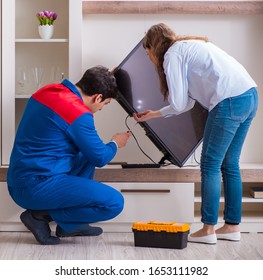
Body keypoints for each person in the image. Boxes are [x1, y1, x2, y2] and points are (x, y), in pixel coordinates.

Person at [134, 23, 258, 244]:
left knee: (210, 164)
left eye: (147, 53)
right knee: (230, 164)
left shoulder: (172, 55)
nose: (150, 58)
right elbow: (188, 102)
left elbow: (180, 103)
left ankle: (208, 229)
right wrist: (154, 114)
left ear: (153, 47)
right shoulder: (187, 46)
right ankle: (232, 226)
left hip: (228, 100)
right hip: (249, 95)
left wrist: (159, 111)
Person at [7, 65, 131, 245]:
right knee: (114, 203)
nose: (102, 108)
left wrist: (106, 77)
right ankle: (38, 216)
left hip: (20, 179)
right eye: (105, 103)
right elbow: (101, 158)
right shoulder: (77, 113)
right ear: (98, 97)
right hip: (35, 187)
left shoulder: (48, 90)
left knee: (85, 154)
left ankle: (70, 226)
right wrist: (115, 143)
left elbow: (90, 152)